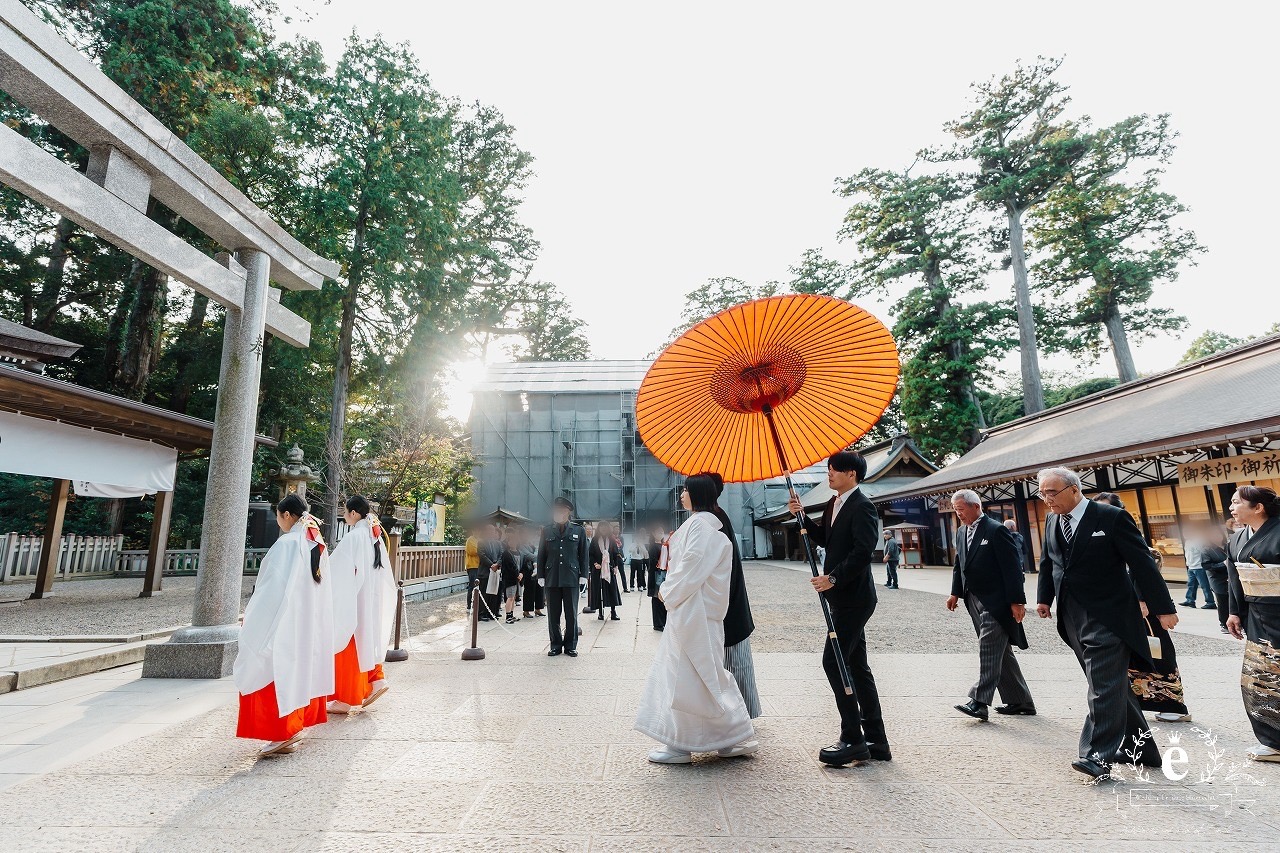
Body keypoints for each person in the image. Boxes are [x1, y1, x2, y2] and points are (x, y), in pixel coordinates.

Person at [1035, 468, 1177, 780]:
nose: (1047, 499)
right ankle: (1144, 751)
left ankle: (1095, 755)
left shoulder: (1110, 517)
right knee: (1110, 684)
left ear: (1074, 489)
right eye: (1042, 493)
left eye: (1052, 492)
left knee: (1102, 684)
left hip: (1110, 614)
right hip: (1072, 614)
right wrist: (1044, 598)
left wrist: (1162, 607)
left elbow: (1142, 563)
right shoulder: (1051, 520)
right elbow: (1048, 561)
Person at [635, 474, 757, 763]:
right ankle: (729, 738)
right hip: (702, 613)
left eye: (685, 490)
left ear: (697, 494)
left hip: (692, 612)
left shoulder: (700, 527)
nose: (681, 495)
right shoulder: (710, 526)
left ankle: (681, 745)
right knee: (707, 674)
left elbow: (690, 569)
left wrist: (666, 591)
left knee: (685, 676)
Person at [787, 450, 889, 767]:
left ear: (852, 475)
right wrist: (801, 516)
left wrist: (832, 577)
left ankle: (853, 738)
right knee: (857, 666)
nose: (828, 474)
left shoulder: (863, 506)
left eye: (834, 470)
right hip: (841, 597)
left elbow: (863, 551)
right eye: (829, 469)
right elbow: (823, 539)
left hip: (855, 597)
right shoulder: (835, 503)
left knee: (835, 663)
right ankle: (877, 740)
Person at [233, 494, 334, 757]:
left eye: (279, 516)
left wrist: (253, 615)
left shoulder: (287, 543)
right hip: (307, 619)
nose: (279, 521)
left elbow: (271, 587)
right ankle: (296, 723)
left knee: (273, 667)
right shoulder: (314, 541)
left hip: (285, 619)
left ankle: (281, 731)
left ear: (287, 515)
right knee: (299, 670)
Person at [1093, 492, 1191, 724]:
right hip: (1115, 606)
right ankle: (1132, 702)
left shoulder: (1126, 529)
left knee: (1158, 652)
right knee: (1125, 658)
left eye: (1105, 508)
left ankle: (1173, 704)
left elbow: (1142, 569)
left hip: (1142, 605)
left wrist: (1143, 601)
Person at [946, 489, 1034, 722]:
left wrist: (1017, 601)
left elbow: (1012, 567)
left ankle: (979, 701)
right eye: (956, 511)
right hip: (973, 597)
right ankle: (1020, 700)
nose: (959, 515)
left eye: (961, 510)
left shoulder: (997, 530)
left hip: (997, 599)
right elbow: (959, 564)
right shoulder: (962, 532)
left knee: (988, 646)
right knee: (1000, 651)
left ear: (976, 506)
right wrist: (955, 592)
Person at [1224, 485, 1280, 762]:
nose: (1232, 508)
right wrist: (1234, 612)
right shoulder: (1236, 539)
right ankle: (1272, 741)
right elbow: (1234, 579)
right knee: (1259, 678)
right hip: (1257, 615)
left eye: (1236, 503)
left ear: (1258, 507)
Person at [327, 495, 395, 715]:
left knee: (348, 642)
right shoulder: (373, 535)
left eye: (345, 511)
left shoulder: (354, 536)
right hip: (371, 597)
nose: (344, 515)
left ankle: (346, 698)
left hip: (355, 598)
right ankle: (376, 680)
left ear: (354, 513)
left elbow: (335, 569)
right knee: (368, 640)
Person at [704, 472, 762, 720]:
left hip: (725, 597)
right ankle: (743, 712)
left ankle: (741, 714)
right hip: (730, 595)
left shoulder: (713, 519)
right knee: (735, 660)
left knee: (733, 660)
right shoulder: (718, 515)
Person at [538, 497, 589, 657]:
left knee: (571, 614)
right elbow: (541, 554)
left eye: (561, 510)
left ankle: (570, 645)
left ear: (567, 512)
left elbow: (583, 555)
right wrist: (541, 574)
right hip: (552, 577)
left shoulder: (578, 530)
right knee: (553, 614)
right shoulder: (546, 530)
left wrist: (584, 575)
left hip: (571, 577)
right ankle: (555, 645)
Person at [590, 521, 623, 621]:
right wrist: (595, 563)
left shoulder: (611, 540)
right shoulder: (595, 540)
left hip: (609, 568)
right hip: (598, 569)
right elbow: (590, 554)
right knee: (598, 590)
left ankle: (613, 612)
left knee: (612, 590)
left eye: (605, 527)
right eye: (601, 527)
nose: (603, 529)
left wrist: (616, 566)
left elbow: (615, 554)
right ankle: (600, 612)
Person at [1202, 523, 1231, 632]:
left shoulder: (1228, 545)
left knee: (1233, 601)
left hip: (1232, 578)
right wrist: (1223, 564)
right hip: (1218, 580)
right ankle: (1224, 624)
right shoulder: (1207, 549)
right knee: (1223, 602)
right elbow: (1206, 566)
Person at [1181, 526, 1217, 610]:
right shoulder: (1187, 542)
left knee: (1205, 585)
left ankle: (1210, 602)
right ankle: (1190, 600)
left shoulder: (1199, 541)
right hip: (1191, 567)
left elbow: (1204, 552)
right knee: (1191, 585)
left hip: (1199, 567)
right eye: (1184, 533)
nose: (1185, 534)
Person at [479, 524, 504, 622]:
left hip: (496, 571)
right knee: (484, 593)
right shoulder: (481, 542)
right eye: (489, 530)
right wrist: (491, 565)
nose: (491, 532)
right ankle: (482, 613)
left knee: (494, 594)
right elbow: (482, 555)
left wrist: (497, 564)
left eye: (492, 531)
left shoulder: (498, 543)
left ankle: (492, 613)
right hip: (485, 571)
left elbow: (502, 554)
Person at [648, 523, 669, 631]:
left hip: (663, 573)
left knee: (663, 599)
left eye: (662, 532)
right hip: (656, 575)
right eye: (658, 532)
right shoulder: (652, 546)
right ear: (653, 533)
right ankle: (657, 624)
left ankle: (663, 622)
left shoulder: (664, 545)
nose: (660, 533)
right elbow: (652, 562)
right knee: (656, 599)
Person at [522, 526, 545, 618]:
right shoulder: (521, 545)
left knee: (540, 589)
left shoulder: (533, 544)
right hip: (528, 570)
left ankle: (538, 609)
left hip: (538, 569)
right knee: (529, 591)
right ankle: (526, 610)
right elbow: (530, 556)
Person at [464, 526, 481, 612]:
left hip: (479, 566)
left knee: (478, 586)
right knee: (472, 585)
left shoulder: (479, 540)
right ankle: (469, 605)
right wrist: (482, 550)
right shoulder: (470, 540)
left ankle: (476, 604)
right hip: (472, 565)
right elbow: (473, 551)